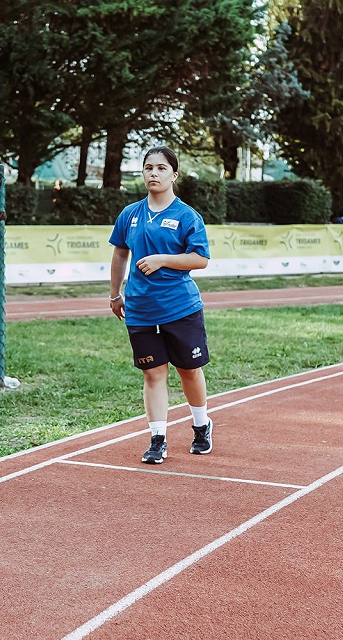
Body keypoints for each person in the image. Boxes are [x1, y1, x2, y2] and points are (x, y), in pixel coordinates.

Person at [108, 146, 213, 465]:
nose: (153, 173)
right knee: (153, 374)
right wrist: (115, 294)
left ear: (173, 175)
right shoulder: (130, 214)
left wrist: (163, 260)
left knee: (188, 370)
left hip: (180, 307)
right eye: (148, 168)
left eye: (161, 168)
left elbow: (200, 259)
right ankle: (158, 439)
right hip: (140, 309)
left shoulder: (186, 215)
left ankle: (201, 426)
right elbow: (120, 253)